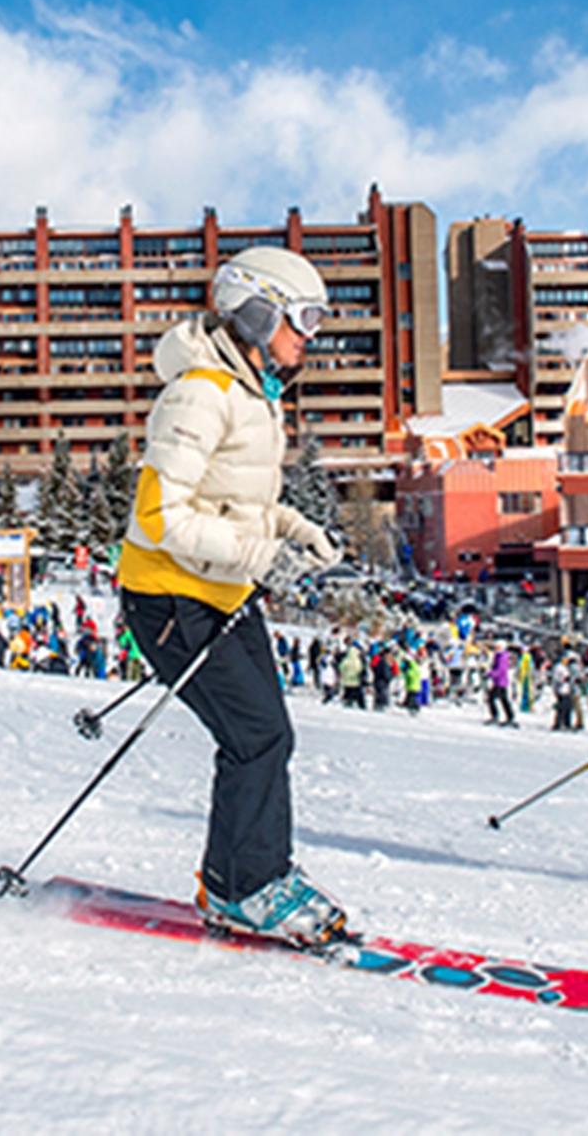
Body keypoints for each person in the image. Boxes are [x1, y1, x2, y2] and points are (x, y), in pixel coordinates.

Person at [115, 246, 344, 945]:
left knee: (269, 734)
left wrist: (296, 529)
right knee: (255, 736)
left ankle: (250, 875)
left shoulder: (252, 394)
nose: (311, 335)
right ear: (258, 310)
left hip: (217, 592)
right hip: (168, 597)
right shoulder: (201, 393)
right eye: (303, 317)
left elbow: (235, 504)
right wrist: (259, 554)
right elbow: (159, 518)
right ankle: (243, 887)